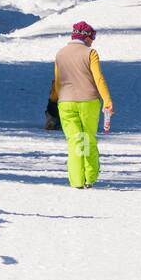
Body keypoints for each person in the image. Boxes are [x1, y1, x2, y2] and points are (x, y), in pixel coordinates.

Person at [49, 20, 113, 189]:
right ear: (86, 37)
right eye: (92, 38)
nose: (92, 42)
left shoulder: (60, 54)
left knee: (74, 141)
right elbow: (98, 77)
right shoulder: (90, 53)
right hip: (89, 102)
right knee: (88, 139)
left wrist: (54, 100)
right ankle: (90, 178)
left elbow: (57, 81)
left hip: (65, 103)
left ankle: (76, 181)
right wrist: (107, 100)